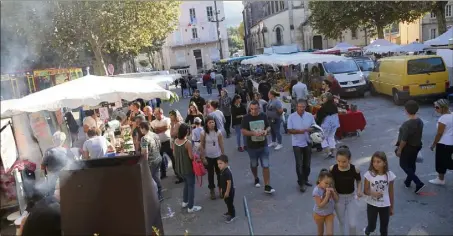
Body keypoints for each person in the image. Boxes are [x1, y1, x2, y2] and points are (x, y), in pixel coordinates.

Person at [241, 100, 275, 193]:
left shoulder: (263, 115)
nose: (253, 111)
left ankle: (267, 185)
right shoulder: (246, 118)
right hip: (251, 147)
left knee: (265, 165)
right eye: (251, 109)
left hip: (263, 145)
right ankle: (256, 177)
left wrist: (266, 131)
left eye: (255, 109)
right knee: (254, 164)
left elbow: (268, 127)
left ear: (259, 108)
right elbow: (243, 131)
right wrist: (253, 133)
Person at [329, 146, 362, 235]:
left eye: (344, 161)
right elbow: (330, 182)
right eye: (338, 161)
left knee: (352, 224)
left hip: (351, 198)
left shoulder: (354, 169)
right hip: (338, 198)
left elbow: (359, 180)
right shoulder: (333, 169)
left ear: (349, 159)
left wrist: (359, 190)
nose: (341, 164)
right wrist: (332, 191)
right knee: (341, 222)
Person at [395, 100, 425, 194]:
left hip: (408, 147)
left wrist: (399, 150)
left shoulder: (407, 124)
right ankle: (408, 182)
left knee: (403, 165)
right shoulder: (420, 121)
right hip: (416, 146)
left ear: (406, 110)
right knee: (412, 164)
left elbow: (404, 140)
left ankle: (418, 182)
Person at [363, 151, 395, 236]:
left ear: (384, 163)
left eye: (378, 162)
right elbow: (365, 190)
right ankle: (367, 230)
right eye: (374, 161)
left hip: (385, 205)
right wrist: (373, 193)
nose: (375, 164)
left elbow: (391, 192)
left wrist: (391, 207)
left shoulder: (389, 175)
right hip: (372, 204)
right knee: (372, 226)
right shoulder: (369, 174)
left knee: (384, 228)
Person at [287, 99, 316, 192]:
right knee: (299, 164)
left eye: (303, 107)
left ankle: (305, 179)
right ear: (296, 107)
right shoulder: (291, 117)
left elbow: (314, 127)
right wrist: (300, 131)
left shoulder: (309, 116)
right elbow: (289, 130)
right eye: (299, 107)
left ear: (305, 107)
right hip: (296, 143)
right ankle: (301, 183)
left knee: (307, 164)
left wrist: (310, 129)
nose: (301, 108)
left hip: (307, 142)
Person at [173, 123, 202, 213]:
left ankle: (185, 202)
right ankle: (191, 207)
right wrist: (197, 155)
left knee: (186, 184)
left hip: (179, 168)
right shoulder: (187, 143)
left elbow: (174, 154)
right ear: (186, 132)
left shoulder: (175, 141)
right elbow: (190, 156)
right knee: (191, 186)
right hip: (187, 168)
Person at [151, 108, 183, 183]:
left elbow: (166, 127)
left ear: (160, 113)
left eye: (156, 114)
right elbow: (154, 130)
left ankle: (177, 173)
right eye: (154, 114)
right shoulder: (153, 122)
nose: (155, 115)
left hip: (167, 142)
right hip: (158, 143)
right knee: (160, 159)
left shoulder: (167, 119)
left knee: (173, 158)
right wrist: (161, 128)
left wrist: (159, 129)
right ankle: (163, 173)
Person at [200, 116, 225, 200]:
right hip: (208, 157)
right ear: (206, 124)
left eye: (213, 122)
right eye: (210, 122)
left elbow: (221, 144)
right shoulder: (203, 133)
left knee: (220, 174)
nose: (212, 124)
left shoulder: (218, 132)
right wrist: (203, 158)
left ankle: (221, 189)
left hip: (217, 156)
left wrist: (223, 156)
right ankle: (212, 191)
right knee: (210, 174)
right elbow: (202, 146)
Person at [429, 98, 453, 185]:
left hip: (443, 143)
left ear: (443, 107)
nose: (435, 109)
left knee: (442, 162)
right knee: (447, 161)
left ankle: (440, 179)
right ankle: (440, 179)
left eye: (437, 107)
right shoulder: (452, 114)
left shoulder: (443, 119)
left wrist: (433, 144)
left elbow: (439, 134)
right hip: (451, 143)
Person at [41, 131, 72, 196]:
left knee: (52, 195)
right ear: (63, 141)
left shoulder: (49, 151)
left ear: (53, 140)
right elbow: (74, 162)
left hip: (52, 177)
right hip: (65, 176)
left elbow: (42, 166)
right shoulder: (67, 151)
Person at [140, 122, 164, 201]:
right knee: (157, 177)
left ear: (143, 128)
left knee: (150, 179)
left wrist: (144, 163)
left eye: (140, 128)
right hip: (158, 158)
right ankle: (160, 194)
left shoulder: (144, 139)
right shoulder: (154, 134)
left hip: (151, 161)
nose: (140, 130)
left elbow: (145, 152)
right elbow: (160, 145)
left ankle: (155, 196)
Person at [312, 169, 338, 236]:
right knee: (320, 233)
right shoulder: (316, 191)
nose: (328, 185)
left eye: (330, 183)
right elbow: (320, 205)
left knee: (330, 233)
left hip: (329, 213)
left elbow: (336, 199)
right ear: (319, 181)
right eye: (326, 183)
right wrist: (327, 196)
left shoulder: (331, 187)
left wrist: (333, 193)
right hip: (319, 214)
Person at [316, 92, 340, 158]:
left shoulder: (323, 108)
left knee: (323, 138)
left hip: (326, 125)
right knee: (331, 137)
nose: (322, 99)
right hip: (334, 124)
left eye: (323, 98)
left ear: (326, 99)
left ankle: (328, 152)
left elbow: (319, 117)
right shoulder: (334, 105)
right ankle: (333, 152)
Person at [218, 155, 236, 223]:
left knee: (230, 203)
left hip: (229, 192)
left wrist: (227, 192)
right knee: (227, 202)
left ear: (226, 163)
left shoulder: (227, 172)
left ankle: (232, 215)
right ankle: (229, 212)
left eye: (221, 163)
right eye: (218, 163)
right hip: (225, 190)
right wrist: (222, 190)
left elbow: (229, 183)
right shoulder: (222, 171)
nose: (219, 165)